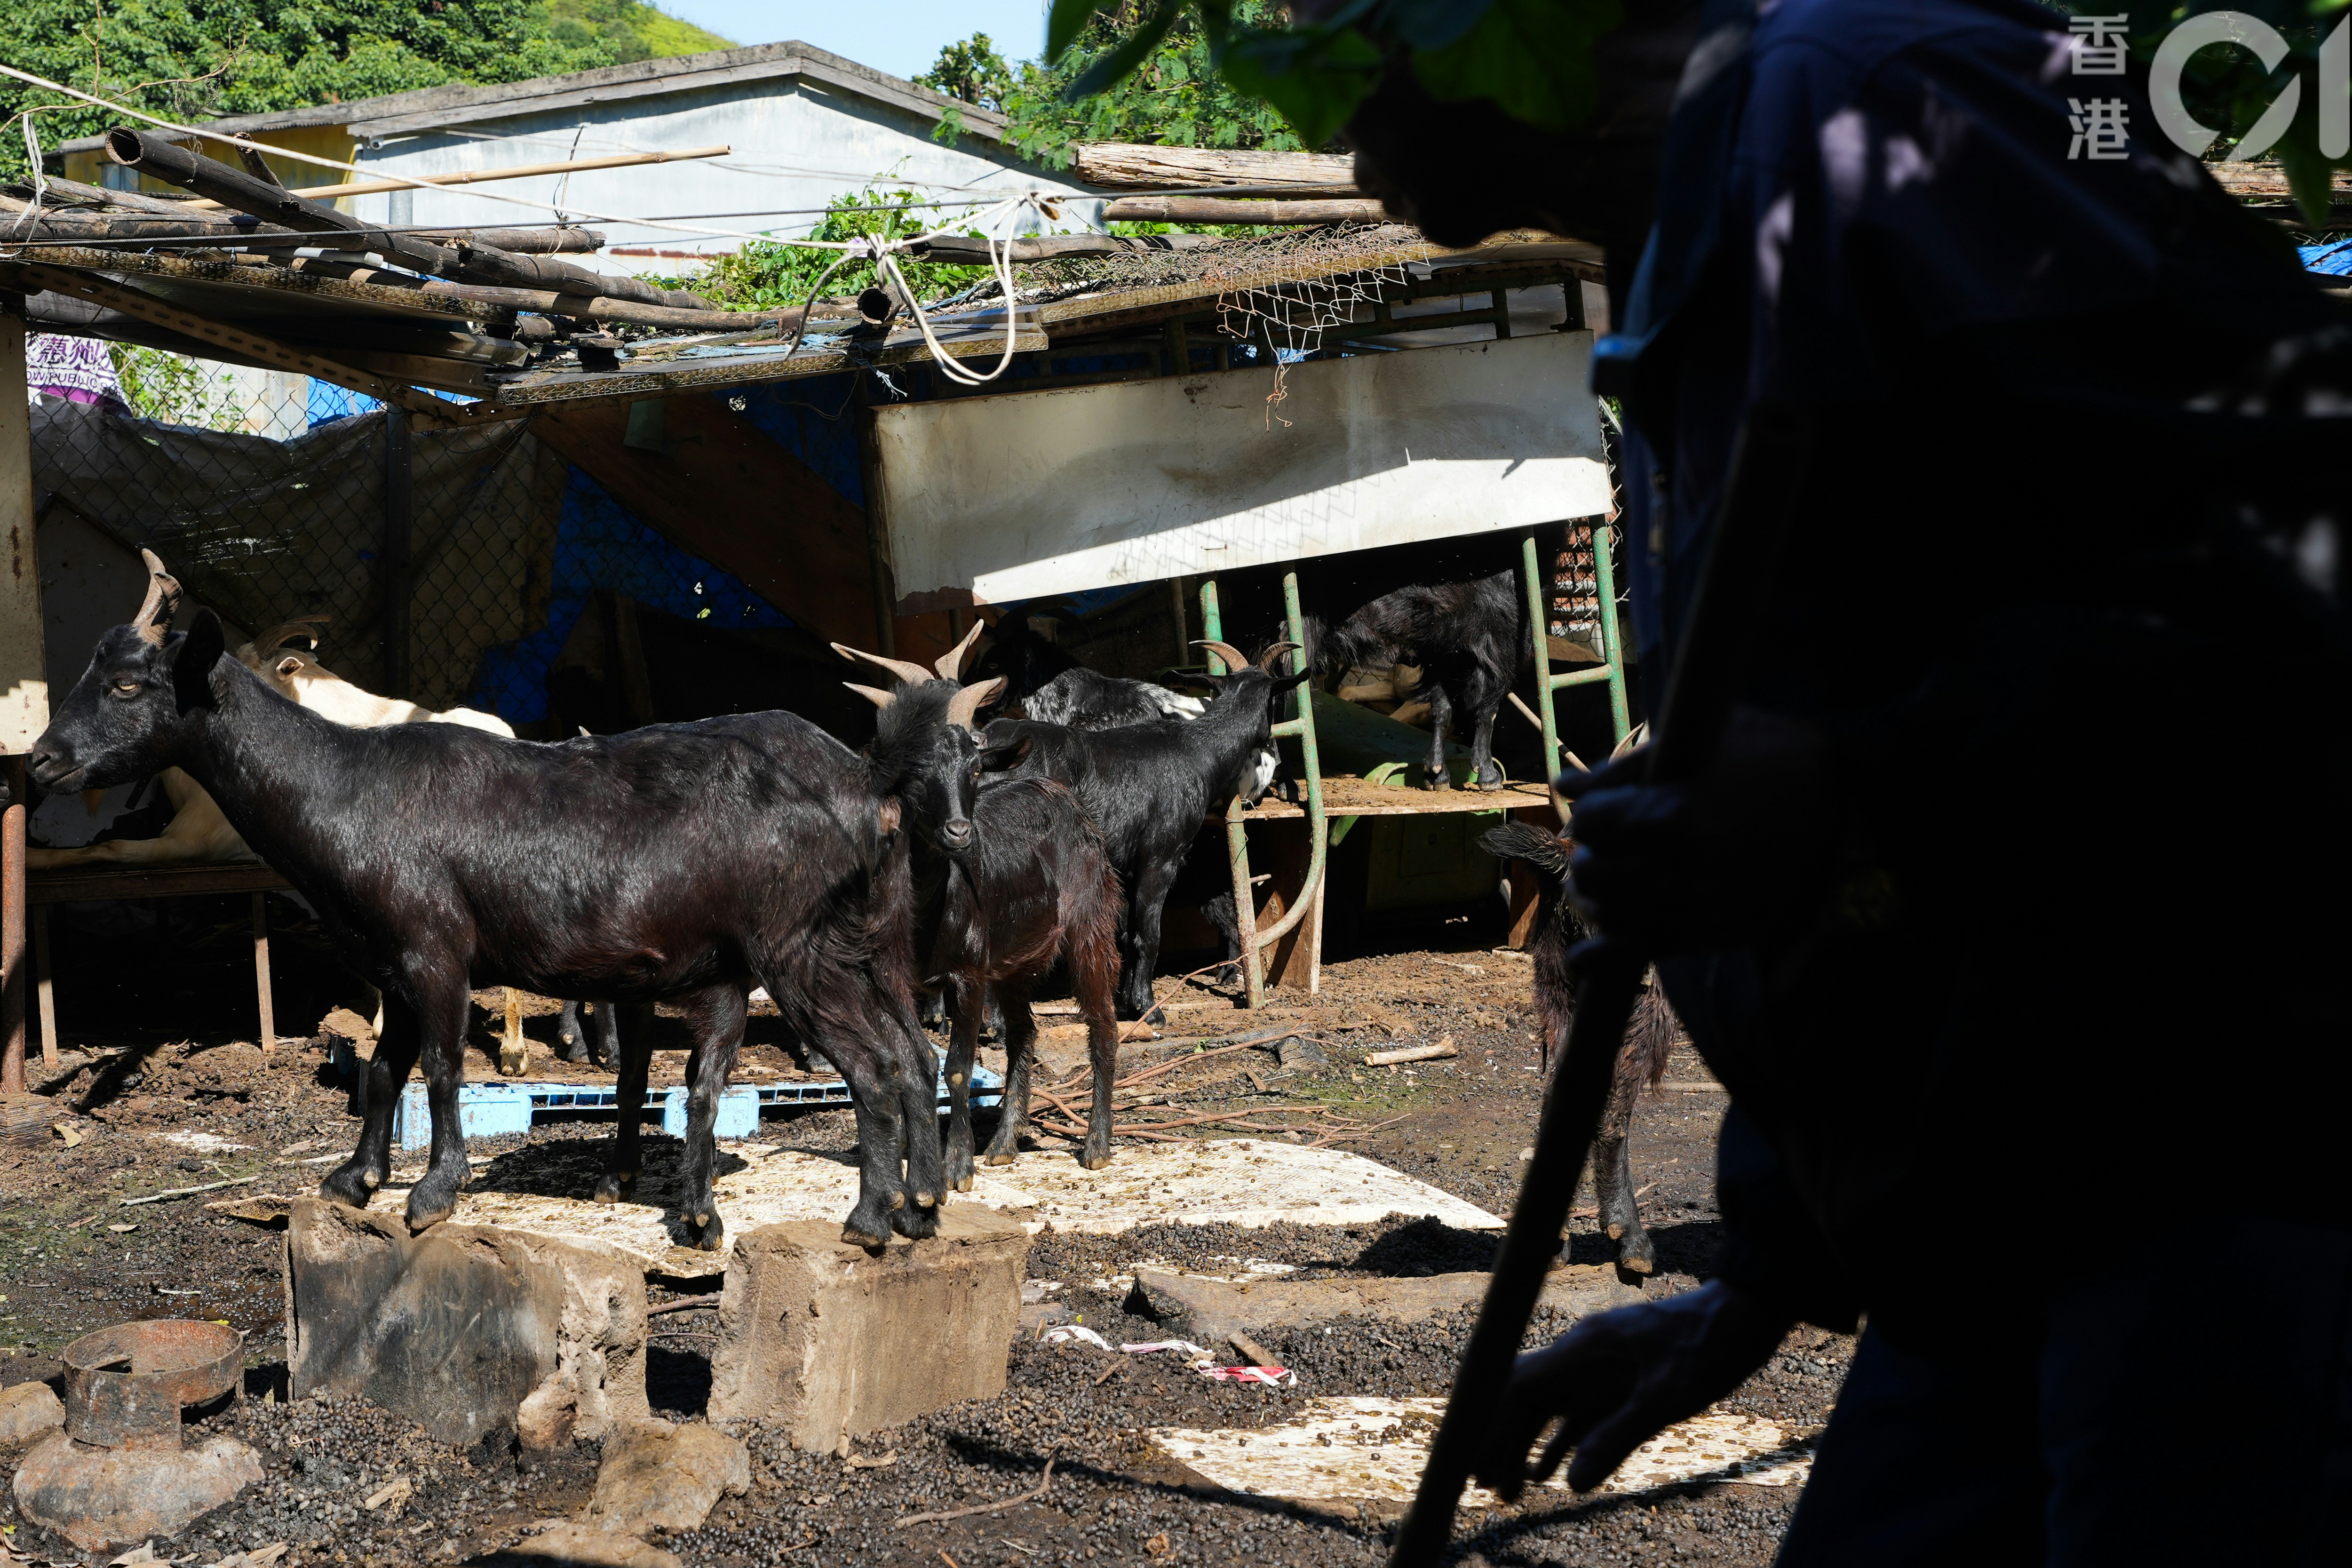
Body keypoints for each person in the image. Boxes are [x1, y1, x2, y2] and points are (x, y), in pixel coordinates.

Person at [1337, 0, 2352, 1560]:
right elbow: (1865, 865)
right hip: (2000, 1229)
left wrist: (1864, 792)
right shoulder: (1688, 248)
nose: (1327, 126)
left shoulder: (1888, 115)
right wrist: (1771, 1272)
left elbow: (2311, 580)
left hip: (2224, 1193)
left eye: (1343, 31)